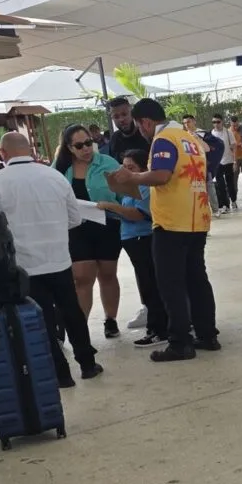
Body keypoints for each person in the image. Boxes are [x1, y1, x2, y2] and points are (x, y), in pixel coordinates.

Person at [0, 132, 103, 388]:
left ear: (3, 153)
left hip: (24, 266)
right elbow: (75, 219)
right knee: (72, 312)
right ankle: (88, 364)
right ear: (31, 150)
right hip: (59, 259)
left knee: (42, 319)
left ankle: (61, 374)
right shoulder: (54, 176)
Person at [108, 98, 220, 362]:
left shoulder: (163, 139)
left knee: (171, 284)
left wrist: (132, 177)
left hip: (172, 221)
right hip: (197, 217)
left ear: (145, 121)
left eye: (140, 125)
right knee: (196, 279)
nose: (141, 131)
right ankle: (207, 334)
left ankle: (180, 342)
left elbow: (161, 175)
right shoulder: (188, 137)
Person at [55, 124, 123, 339]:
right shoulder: (60, 168)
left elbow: (125, 191)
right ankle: (80, 327)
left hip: (107, 224)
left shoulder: (108, 163)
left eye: (88, 143)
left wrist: (120, 210)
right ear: (69, 148)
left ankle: (110, 319)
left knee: (107, 273)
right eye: (79, 145)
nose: (86, 148)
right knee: (82, 277)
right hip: (76, 227)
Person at [95, 149, 168, 348]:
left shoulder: (144, 186)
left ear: (143, 169)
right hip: (132, 238)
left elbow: (138, 213)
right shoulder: (131, 186)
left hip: (142, 238)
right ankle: (157, 326)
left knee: (150, 284)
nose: (125, 171)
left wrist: (112, 207)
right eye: (124, 167)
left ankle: (159, 329)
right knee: (145, 283)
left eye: (131, 168)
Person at [211, 114, 237, 212]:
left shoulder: (228, 132)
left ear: (222, 122)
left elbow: (234, 147)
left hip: (229, 161)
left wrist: (235, 161)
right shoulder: (211, 133)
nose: (216, 124)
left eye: (218, 122)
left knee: (230, 183)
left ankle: (233, 200)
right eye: (214, 122)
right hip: (217, 163)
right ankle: (225, 205)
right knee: (220, 184)